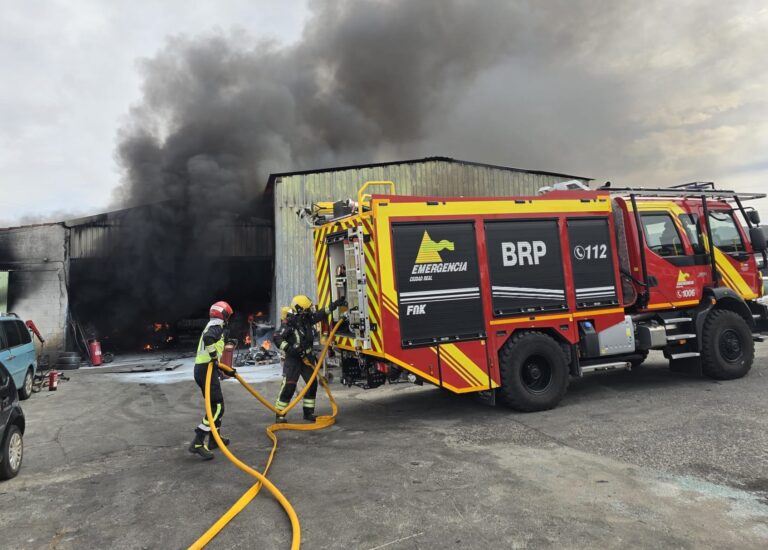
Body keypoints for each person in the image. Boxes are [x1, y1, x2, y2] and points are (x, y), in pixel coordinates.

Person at [273, 294, 345, 423]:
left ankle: (308, 413)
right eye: (307, 308)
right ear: (300, 310)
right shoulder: (289, 323)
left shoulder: (306, 319)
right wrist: (290, 349)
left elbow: (321, 314)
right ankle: (280, 414)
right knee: (289, 386)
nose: (310, 311)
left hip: (307, 358)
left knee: (312, 384)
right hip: (293, 360)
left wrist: (335, 304)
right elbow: (277, 338)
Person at [188, 300, 234, 460]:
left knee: (215, 405)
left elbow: (213, 342)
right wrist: (214, 357)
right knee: (217, 407)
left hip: (204, 369)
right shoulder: (216, 326)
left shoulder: (213, 324)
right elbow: (209, 339)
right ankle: (198, 442)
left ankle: (214, 439)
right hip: (205, 370)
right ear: (224, 315)